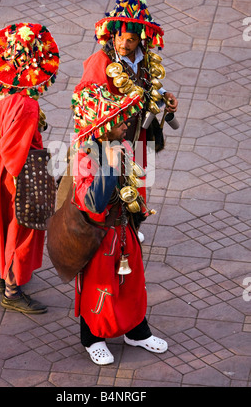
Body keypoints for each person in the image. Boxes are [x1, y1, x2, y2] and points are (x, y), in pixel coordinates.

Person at [0, 23, 60, 314]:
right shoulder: (25, 103)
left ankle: (6, 274)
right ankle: (12, 290)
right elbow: (17, 151)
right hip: (18, 172)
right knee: (23, 229)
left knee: (4, 226)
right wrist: (29, 188)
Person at [70, 82, 168, 365]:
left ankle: (137, 330)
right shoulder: (84, 156)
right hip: (98, 237)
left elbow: (152, 149)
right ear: (102, 128)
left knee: (133, 283)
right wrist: (110, 166)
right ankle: (92, 337)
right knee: (98, 288)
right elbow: (94, 203)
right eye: (119, 122)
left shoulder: (121, 143)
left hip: (125, 230)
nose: (126, 124)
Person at [76, 0, 179, 242]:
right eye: (120, 38)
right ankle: (115, 227)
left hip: (139, 132)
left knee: (139, 176)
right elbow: (88, 100)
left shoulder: (145, 60)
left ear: (141, 40)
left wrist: (165, 95)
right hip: (113, 135)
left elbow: (150, 83)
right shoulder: (101, 60)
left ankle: (133, 223)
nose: (123, 44)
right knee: (114, 178)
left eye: (130, 40)